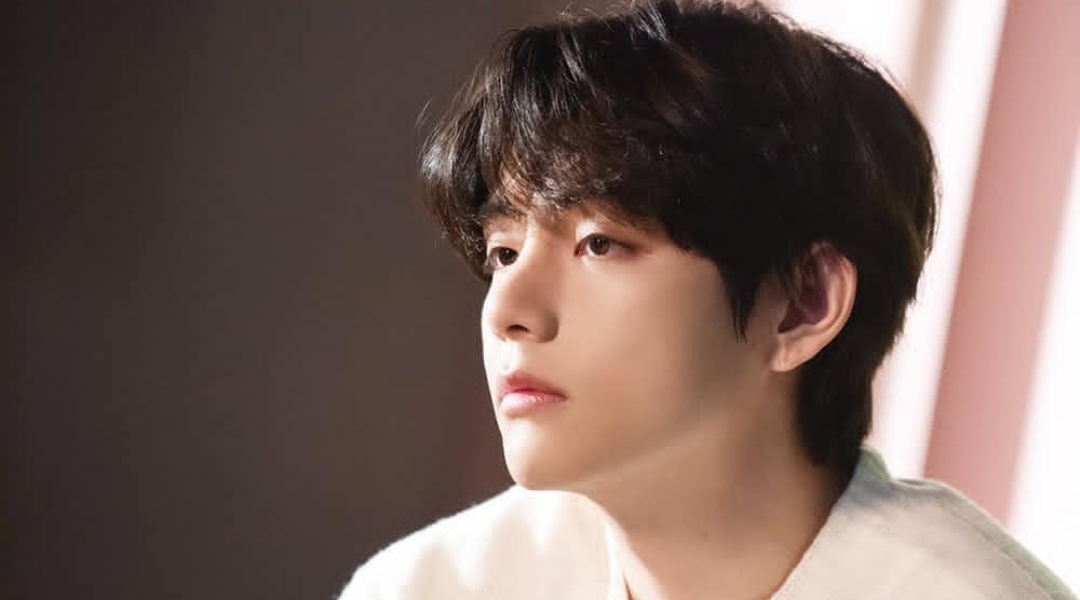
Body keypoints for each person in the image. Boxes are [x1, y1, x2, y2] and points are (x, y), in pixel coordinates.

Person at [340, 1, 1077, 598]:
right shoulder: (430, 587)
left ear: (803, 303)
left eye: (600, 244)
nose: (509, 312)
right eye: (503, 252)